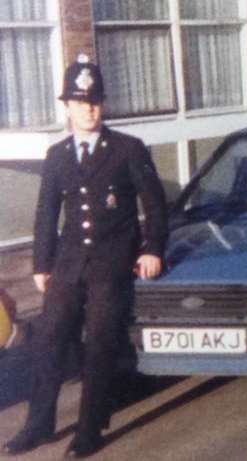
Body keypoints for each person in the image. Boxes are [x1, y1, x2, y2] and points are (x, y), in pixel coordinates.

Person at [2, 55, 168, 459]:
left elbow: (155, 203)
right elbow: (46, 212)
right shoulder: (58, 154)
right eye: (79, 103)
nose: (88, 110)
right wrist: (42, 263)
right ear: (68, 108)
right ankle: (39, 426)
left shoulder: (128, 149)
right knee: (48, 340)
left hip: (112, 263)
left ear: (103, 105)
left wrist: (152, 249)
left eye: (93, 102)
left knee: (99, 343)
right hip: (68, 262)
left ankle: (90, 429)